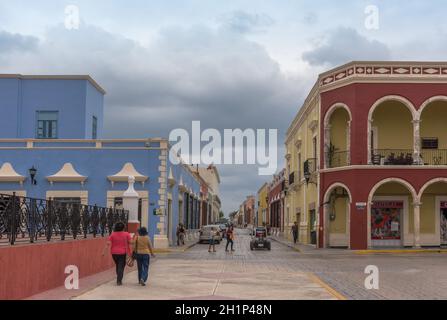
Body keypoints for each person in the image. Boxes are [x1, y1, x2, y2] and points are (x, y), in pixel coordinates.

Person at [102, 221, 131, 286]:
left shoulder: (113, 234)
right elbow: (131, 242)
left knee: (118, 265)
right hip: (123, 253)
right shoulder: (126, 234)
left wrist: (103, 252)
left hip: (114, 253)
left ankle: (119, 278)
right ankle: (119, 280)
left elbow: (108, 244)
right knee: (121, 266)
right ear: (123, 228)